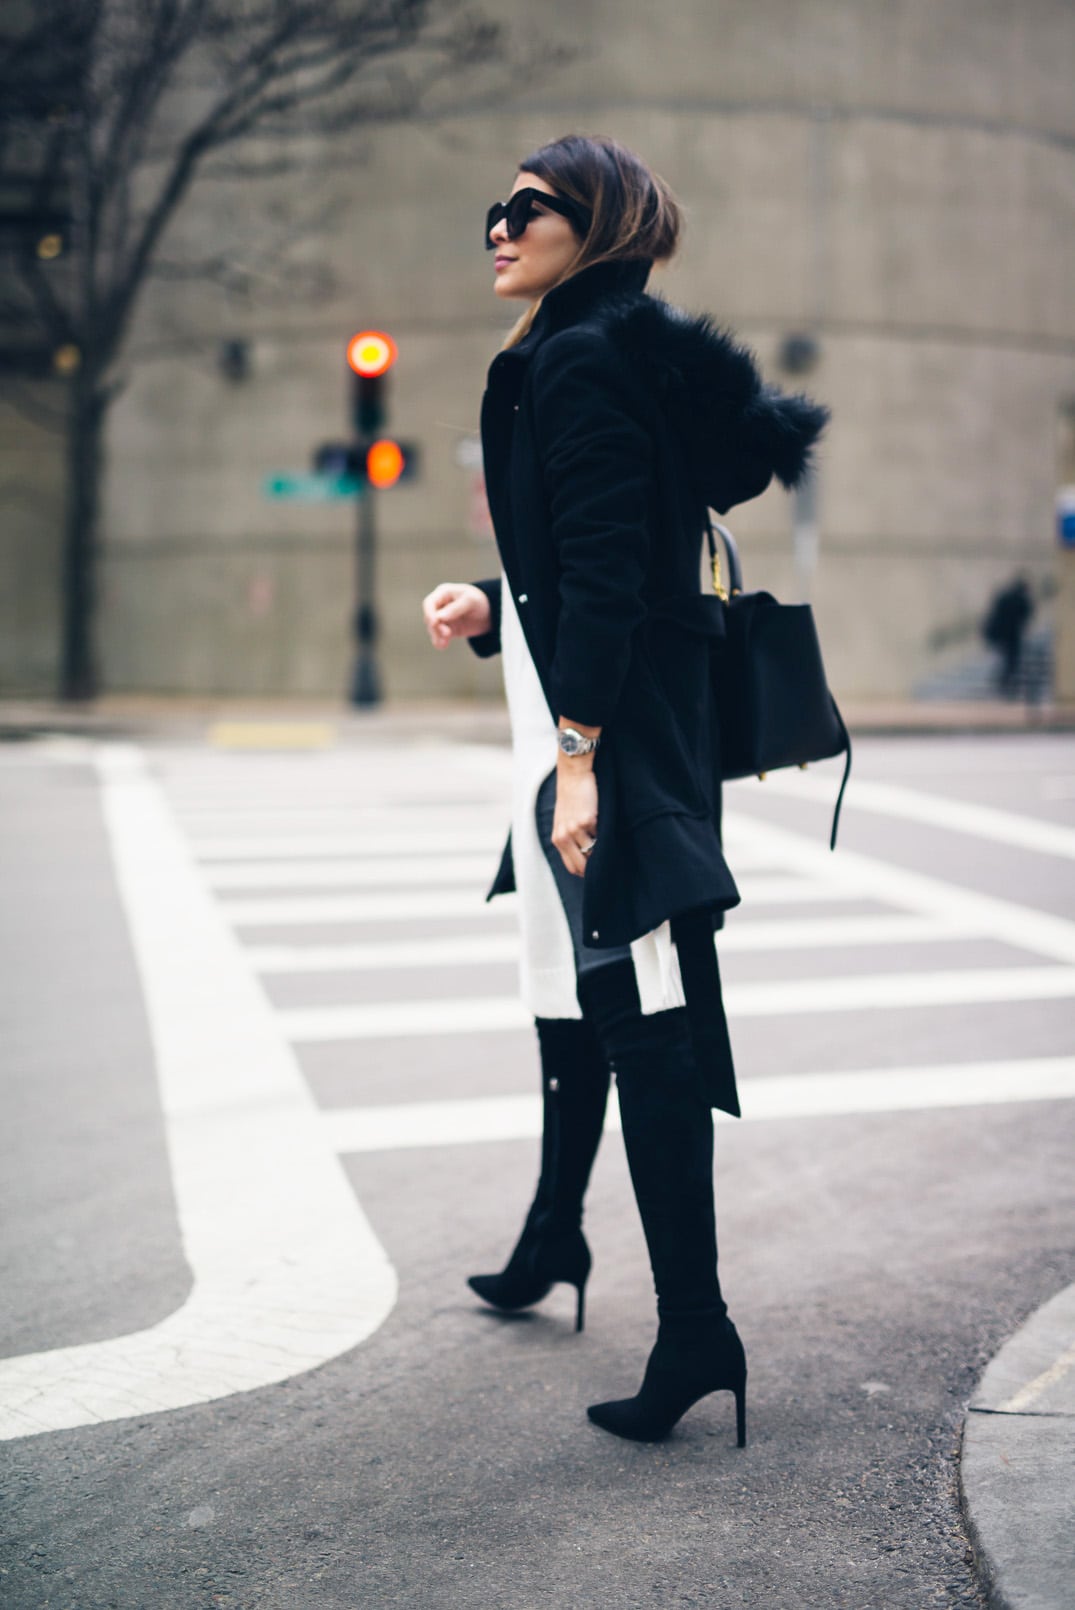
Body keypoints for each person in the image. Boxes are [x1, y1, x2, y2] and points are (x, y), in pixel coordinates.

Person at [421, 134, 828, 1444]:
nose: (495, 225)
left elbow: (610, 574)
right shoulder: (580, 353)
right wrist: (491, 608)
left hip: (605, 748)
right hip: (569, 730)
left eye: (524, 208)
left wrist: (582, 757)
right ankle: (560, 1236)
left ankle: (696, 1330)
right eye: (494, 207)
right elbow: (601, 551)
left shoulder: (579, 360)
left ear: (589, 227)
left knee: (639, 1008)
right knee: (576, 989)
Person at [982, 575, 1034, 696]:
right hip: (1010, 635)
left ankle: (1004, 681)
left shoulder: (1004, 596)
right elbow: (1026, 615)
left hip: (1001, 633)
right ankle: (1005, 681)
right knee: (1011, 660)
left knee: (1007, 659)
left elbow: (994, 612)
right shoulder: (1020, 600)